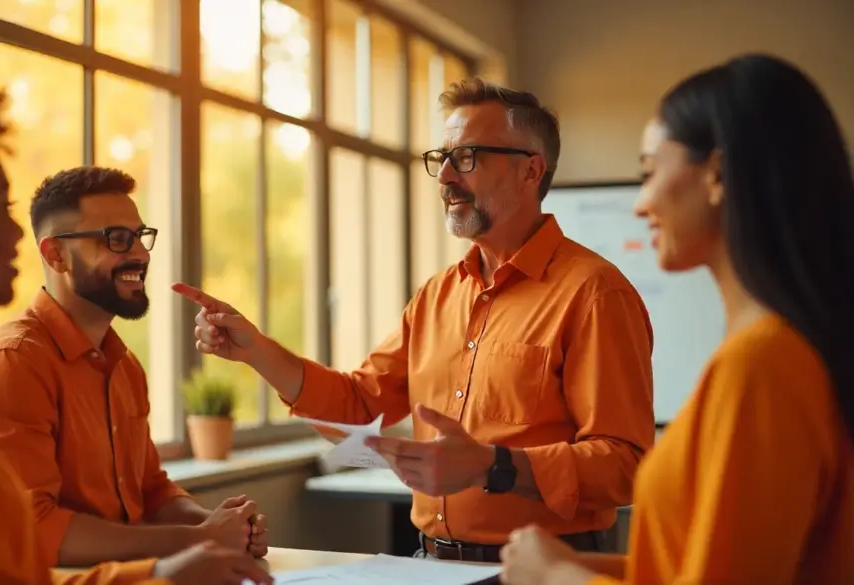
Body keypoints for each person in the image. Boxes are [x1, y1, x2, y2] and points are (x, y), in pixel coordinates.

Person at [173, 78, 656, 560]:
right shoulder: (437, 295)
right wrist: (257, 350)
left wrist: (494, 465)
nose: (445, 176)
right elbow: (360, 403)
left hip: (547, 568)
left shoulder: (594, 293)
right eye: (440, 159)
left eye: (466, 157)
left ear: (531, 170)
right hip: (431, 564)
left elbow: (625, 464)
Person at [0, 59, 272, 585]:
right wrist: (172, 566)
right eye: (1, 205)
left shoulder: (119, 365)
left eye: (138, 236)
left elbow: (8, 568)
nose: (16, 232)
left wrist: (203, 536)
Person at [498, 54, 854, 585]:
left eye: (648, 173)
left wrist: (553, 578)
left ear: (716, 174)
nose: (640, 205)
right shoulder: (783, 349)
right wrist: (579, 565)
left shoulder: (762, 366)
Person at [0, 166, 269, 568]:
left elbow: (150, 490)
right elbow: (34, 528)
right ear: (55, 254)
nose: (139, 253)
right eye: (117, 239)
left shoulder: (124, 366)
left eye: (140, 236)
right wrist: (199, 538)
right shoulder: (12, 364)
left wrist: (220, 526)